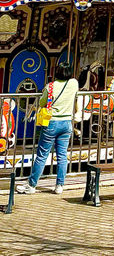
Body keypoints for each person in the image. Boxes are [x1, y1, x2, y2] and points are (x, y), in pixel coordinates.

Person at [17, 62, 78, 194]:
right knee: (62, 155)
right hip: (67, 122)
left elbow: (42, 102)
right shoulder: (74, 84)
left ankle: (32, 185)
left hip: (52, 123)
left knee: (42, 155)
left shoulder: (50, 87)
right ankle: (60, 186)